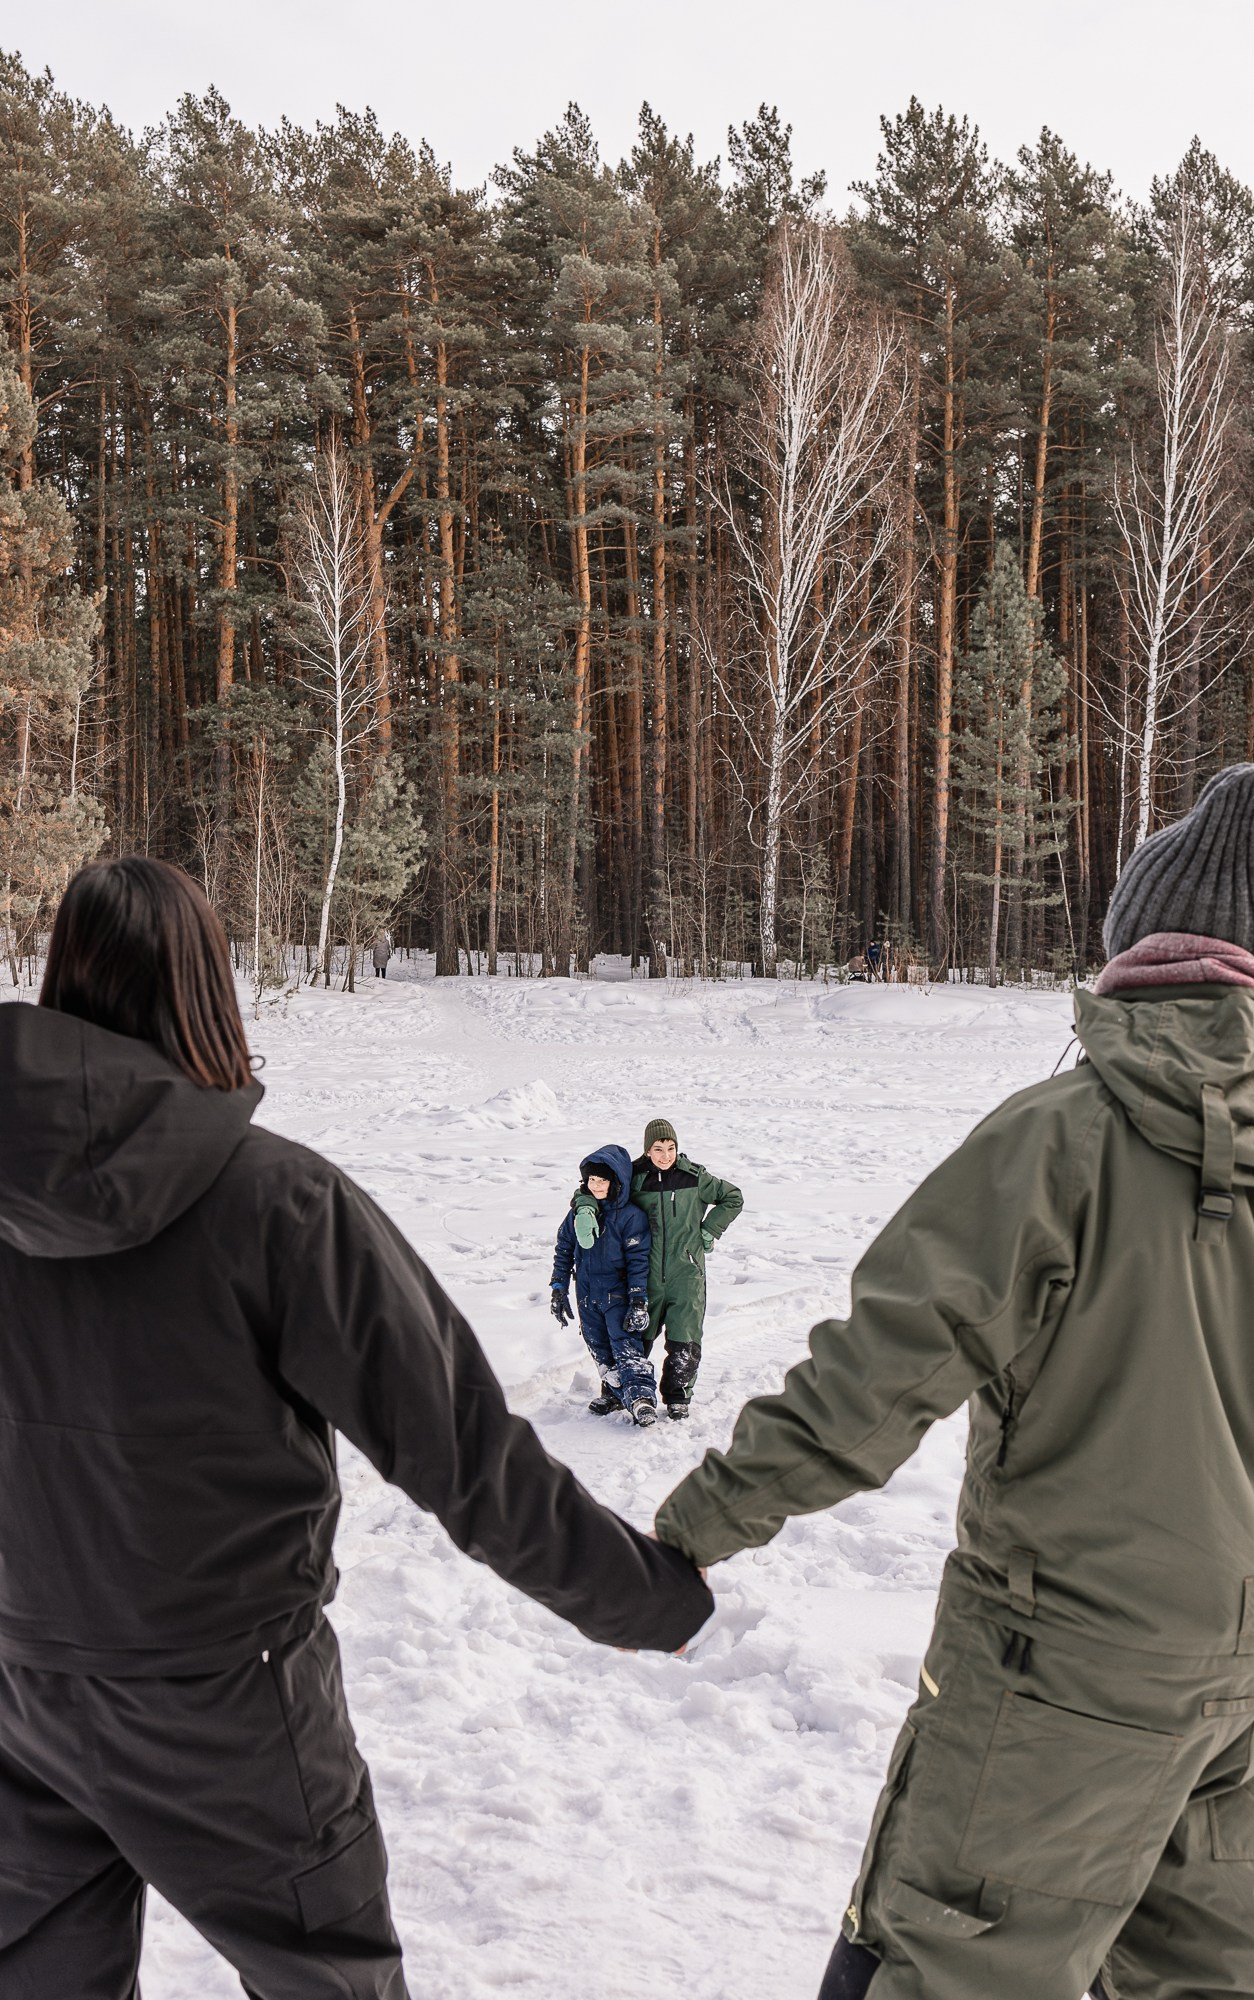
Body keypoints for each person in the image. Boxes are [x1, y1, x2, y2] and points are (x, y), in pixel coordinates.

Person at [0, 858, 712, 1999]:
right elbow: (464, 1450)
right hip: (229, 1708)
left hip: (25, 1690)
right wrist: (651, 1596)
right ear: (205, 985)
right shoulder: (278, 1202)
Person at [655, 763, 1254, 2000]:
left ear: (1139, 945)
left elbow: (881, 1371)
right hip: (1241, 1692)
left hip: (1065, 1679)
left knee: (949, 1966)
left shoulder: (1068, 1135)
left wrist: (698, 1525)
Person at [630, 1119, 743, 1420]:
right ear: (647, 1150)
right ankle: (625, 1391)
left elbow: (733, 1197)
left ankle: (678, 1395)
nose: (665, 1155)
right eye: (658, 1149)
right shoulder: (633, 1178)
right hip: (645, 1273)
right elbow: (597, 1191)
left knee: (685, 1336)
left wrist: (709, 1230)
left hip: (687, 1273)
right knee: (634, 1336)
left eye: (671, 1148)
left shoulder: (695, 1177)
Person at [551, 1144, 659, 1426]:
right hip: (586, 1295)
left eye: (602, 1180)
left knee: (626, 1347)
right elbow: (564, 1249)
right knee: (599, 1347)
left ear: (616, 1182)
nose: (596, 1185)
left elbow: (638, 1260)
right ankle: (615, 1393)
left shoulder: (630, 1216)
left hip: (617, 1294)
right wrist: (558, 1287)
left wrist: (638, 1298)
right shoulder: (578, 1214)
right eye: (591, 1180)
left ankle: (641, 1400)